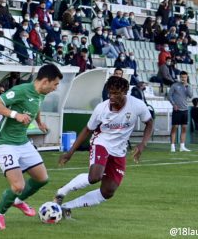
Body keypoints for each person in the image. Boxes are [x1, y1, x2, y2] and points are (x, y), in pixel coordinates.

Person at [54, 76, 153, 218]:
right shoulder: (101, 108)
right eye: (110, 93)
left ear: (125, 92)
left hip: (119, 150)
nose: (112, 97)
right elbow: (87, 130)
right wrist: (70, 152)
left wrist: (143, 144)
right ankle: (62, 192)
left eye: (116, 93)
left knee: (108, 191)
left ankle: (66, 207)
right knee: (95, 177)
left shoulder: (137, 105)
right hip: (101, 142)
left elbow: (149, 122)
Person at [0, 64, 63, 230]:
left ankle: (18, 201)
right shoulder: (22, 90)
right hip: (4, 143)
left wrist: (39, 121)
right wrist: (16, 115)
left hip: (22, 141)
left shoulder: (41, 94)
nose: (55, 88)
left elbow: (35, 106)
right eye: (55, 84)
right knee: (18, 186)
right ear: (45, 81)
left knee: (42, 178)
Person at [168, 71, 192, 152]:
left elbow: (190, 95)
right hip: (177, 109)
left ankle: (182, 146)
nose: (183, 78)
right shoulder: (175, 85)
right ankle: (172, 146)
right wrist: (173, 104)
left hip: (185, 109)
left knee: (184, 128)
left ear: (187, 77)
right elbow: (169, 95)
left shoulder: (188, 86)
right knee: (175, 127)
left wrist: (187, 86)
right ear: (180, 77)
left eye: (185, 77)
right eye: (182, 77)